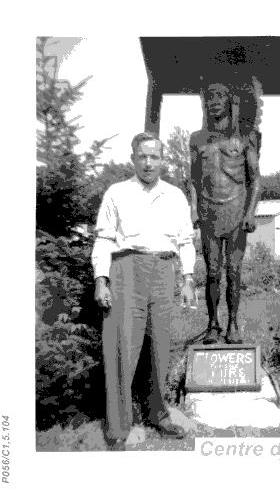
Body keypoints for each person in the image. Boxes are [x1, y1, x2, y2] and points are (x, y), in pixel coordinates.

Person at [92, 131, 197, 450]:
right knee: (123, 347)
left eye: (155, 156)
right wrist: (101, 278)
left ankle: (158, 413)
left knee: (160, 349)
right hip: (126, 270)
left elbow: (185, 241)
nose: (148, 162)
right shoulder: (116, 192)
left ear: (163, 160)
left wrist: (188, 278)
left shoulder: (175, 195)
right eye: (143, 156)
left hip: (164, 270)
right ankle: (119, 428)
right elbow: (104, 239)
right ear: (133, 158)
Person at [190, 80, 262, 344]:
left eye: (220, 96)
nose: (214, 101)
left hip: (236, 213)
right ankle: (212, 324)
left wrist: (251, 212)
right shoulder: (197, 139)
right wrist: (194, 207)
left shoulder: (244, 139)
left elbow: (255, 180)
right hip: (209, 212)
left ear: (230, 102)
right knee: (211, 272)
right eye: (210, 96)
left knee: (233, 270)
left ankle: (232, 323)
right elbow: (194, 179)